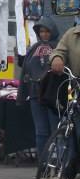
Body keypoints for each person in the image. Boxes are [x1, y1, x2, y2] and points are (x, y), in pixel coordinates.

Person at [17, 17, 60, 157]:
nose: (44, 34)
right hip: (36, 96)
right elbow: (24, 73)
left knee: (57, 131)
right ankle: (43, 166)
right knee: (41, 132)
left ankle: (59, 166)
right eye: (41, 31)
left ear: (52, 31)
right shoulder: (33, 49)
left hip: (54, 96)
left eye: (47, 31)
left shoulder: (60, 48)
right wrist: (21, 97)